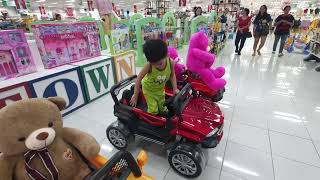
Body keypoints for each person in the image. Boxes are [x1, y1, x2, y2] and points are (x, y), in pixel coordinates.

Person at [130, 39, 179, 116]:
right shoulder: (149, 65)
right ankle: (150, 125)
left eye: (159, 63)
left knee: (163, 108)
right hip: (149, 90)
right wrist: (135, 95)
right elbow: (139, 78)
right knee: (154, 110)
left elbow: (172, 75)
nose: (157, 66)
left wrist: (175, 88)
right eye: (154, 64)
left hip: (160, 90)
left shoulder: (170, 62)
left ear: (166, 55)